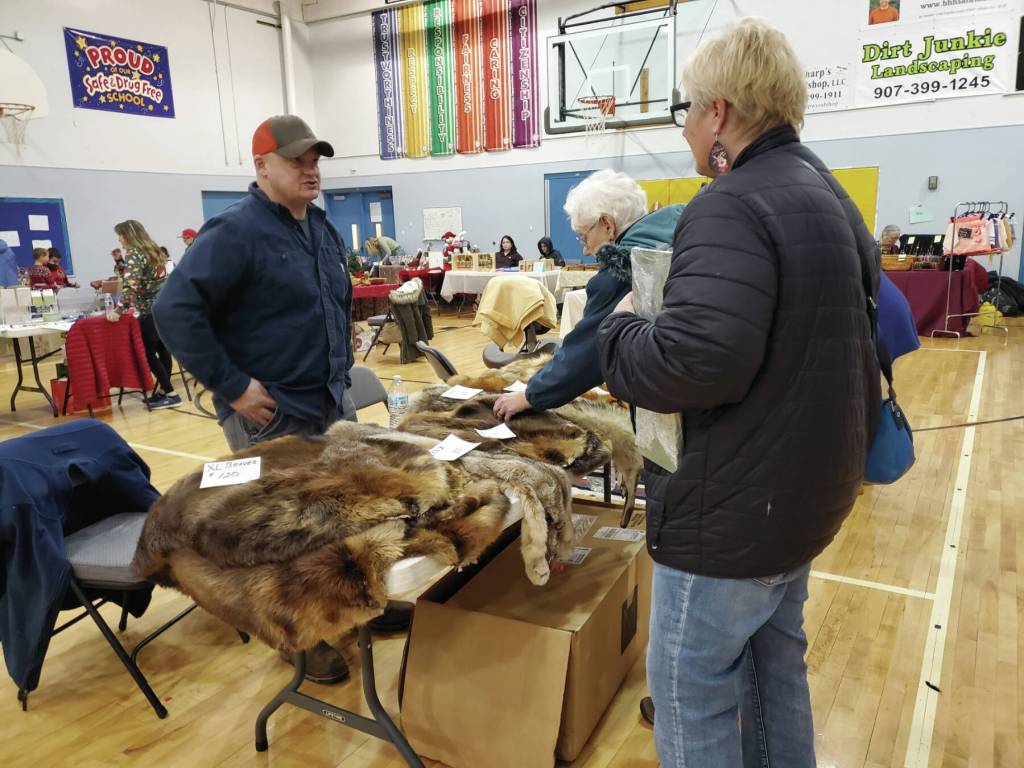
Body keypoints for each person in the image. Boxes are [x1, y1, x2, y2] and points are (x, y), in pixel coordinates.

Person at [595, 19, 880, 766]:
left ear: (719, 111)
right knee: (775, 674)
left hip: (731, 519)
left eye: (688, 109)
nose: (686, 127)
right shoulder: (828, 194)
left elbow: (695, 364)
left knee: (692, 697)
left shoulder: (729, 203)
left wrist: (618, 333)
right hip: (801, 500)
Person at [153, 114, 354, 686]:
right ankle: (298, 636)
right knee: (279, 534)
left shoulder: (320, 227)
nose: (309, 170)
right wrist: (232, 384)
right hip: (272, 413)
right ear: (261, 165)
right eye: (297, 160)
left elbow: (328, 304)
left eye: (315, 160)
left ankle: (349, 606)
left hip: (329, 401)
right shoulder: (235, 230)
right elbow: (174, 310)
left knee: (334, 519)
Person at [493, 170, 682, 421]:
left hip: (668, 407)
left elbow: (589, 351)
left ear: (607, 224)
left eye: (584, 236)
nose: (585, 248)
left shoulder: (621, 269)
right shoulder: (678, 226)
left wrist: (530, 395)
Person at [107, 220, 181, 410]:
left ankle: (171, 393)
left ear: (128, 236)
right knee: (163, 349)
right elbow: (142, 275)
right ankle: (165, 392)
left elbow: (130, 285)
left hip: (149, 310)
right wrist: (119, 262)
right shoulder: (154, 250)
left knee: (147, 352)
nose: (119, 239)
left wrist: (118, 310)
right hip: (165, 307)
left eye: (120, 235)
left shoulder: (134, 253)